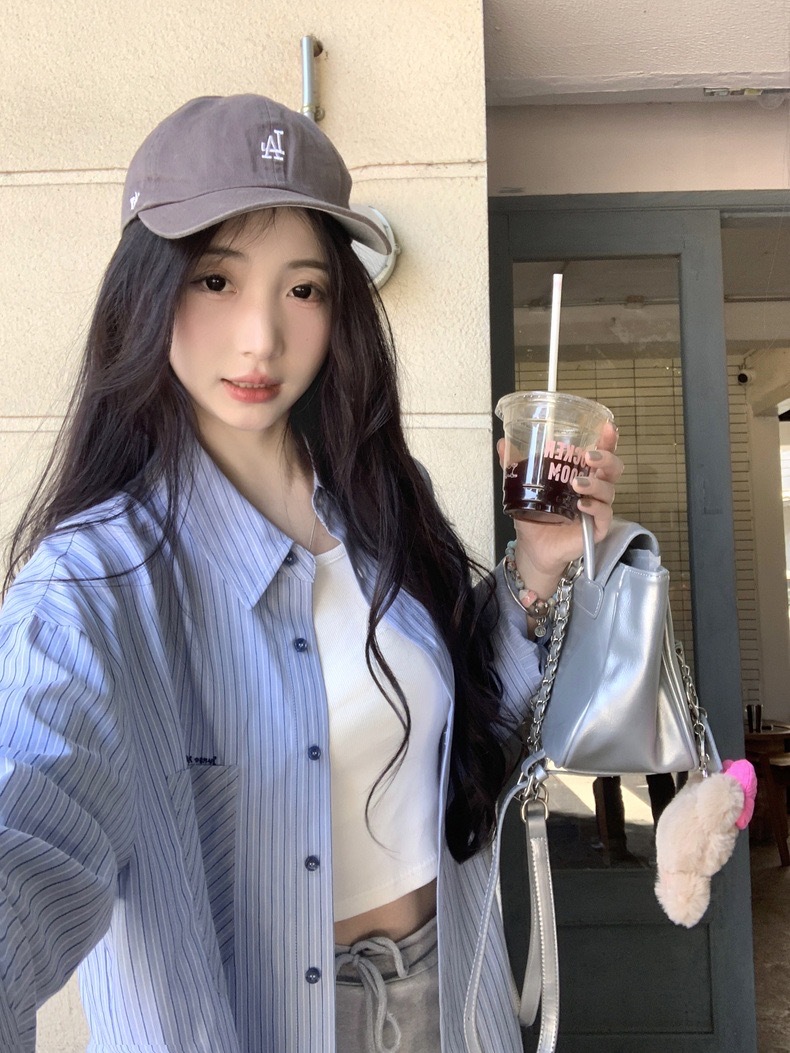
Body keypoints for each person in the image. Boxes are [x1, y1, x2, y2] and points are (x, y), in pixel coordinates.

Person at [0, 94, 622, 1053]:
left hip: (455, 1000)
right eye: (215, 279)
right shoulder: (89, 586)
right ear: (145, 291)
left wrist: (538, 565)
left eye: (303, 289)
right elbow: (34, 833)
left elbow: (471, 734)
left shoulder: (380, 501)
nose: (261, 337)